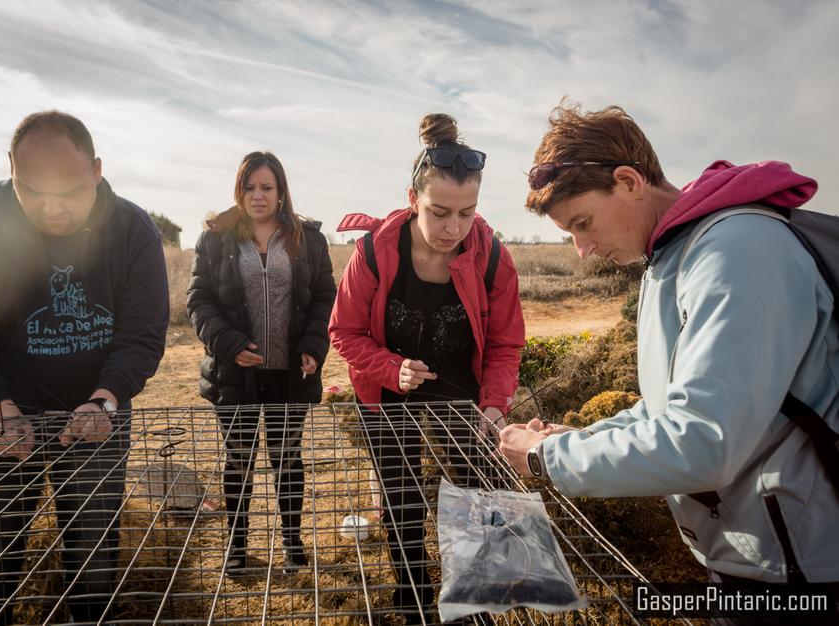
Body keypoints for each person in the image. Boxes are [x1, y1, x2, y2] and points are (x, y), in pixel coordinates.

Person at [500, 102, 839, 624]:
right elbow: (666, 409)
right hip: (756, 561)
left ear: (630, 180)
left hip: (804, 573)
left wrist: (549, 460)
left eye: (583, 222)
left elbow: (703, 440)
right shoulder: (671, 259)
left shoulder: (737, 251)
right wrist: (576, 440)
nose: (582, 250)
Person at [0, 110, 169, 625]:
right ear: (10, 169)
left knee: (93, 562)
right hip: (0, 412)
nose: (52, 207)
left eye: (69, 191)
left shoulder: (132, 228)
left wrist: (106, 398)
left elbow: (141, 335)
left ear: (97, 171)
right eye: (32, 190)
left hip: (96, 413)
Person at [329, 113, 525, 624]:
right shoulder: (373, 252)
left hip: (464, 397)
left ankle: (471, 601)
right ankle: (412, 593)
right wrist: (391, 368)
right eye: (439, 212)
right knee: (400, 499)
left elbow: (506, 342)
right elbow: (343, 332)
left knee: (472, 498)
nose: (453, 229)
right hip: (387, 394)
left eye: (467, 213)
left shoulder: (493, 258)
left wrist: (495, 403)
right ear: (413, 198)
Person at [187, 151, 336, 576]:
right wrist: (229, 343)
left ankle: (292, 543)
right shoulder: (215, 239)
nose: (258, 196)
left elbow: (325, 295)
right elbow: (199, 301)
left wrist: (312, 344)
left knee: (287, 459)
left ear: (281, 191)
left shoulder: (307, 238)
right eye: (250, 187)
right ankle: (237, 546)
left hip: (291, 373)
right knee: (239, 459)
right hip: (236, 374)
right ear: (239, 189)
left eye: (267, 187)